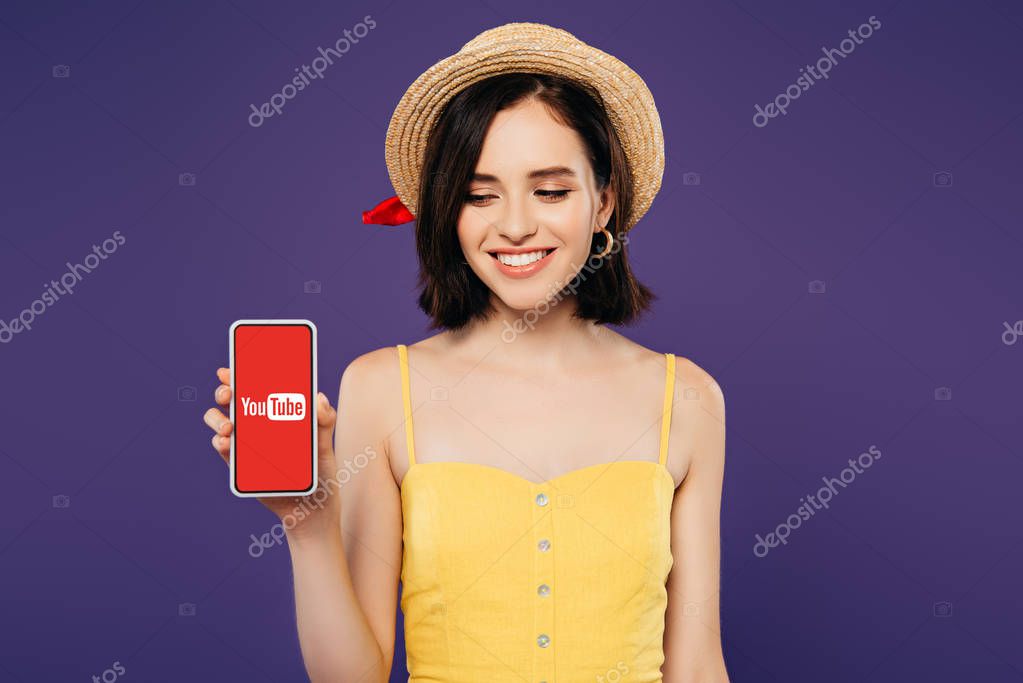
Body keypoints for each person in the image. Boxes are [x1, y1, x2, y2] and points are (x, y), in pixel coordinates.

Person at [205, 22, 728, 683]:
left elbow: (697, 663)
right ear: (449, 210)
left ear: (604, 202)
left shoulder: (687, 398)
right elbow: (354, 676)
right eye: (480, 194)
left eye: (550, 190)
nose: (513, 224)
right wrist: (304, 518)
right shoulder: (380, 387)